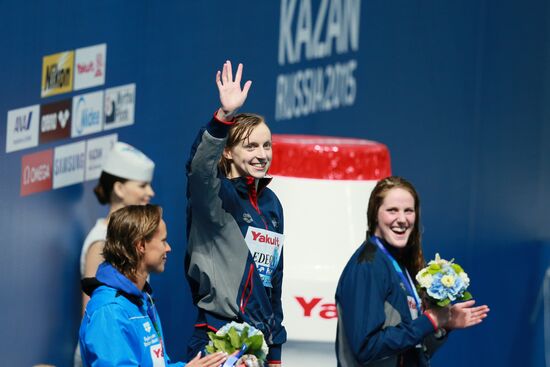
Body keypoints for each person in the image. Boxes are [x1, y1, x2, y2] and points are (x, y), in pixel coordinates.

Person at [185, 60, 286, 367]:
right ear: (228, 151)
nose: (262, 154)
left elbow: (273, 281)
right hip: (217, 339)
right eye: (251, 146)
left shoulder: (270, 203)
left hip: (259, 344)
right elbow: (199, 169)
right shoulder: (214, 198)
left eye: (266, 145)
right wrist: (224, 117)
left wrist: (275, 353)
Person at [335, 176, 490, 366]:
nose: (402, 219)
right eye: (392, 210)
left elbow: (411, 351)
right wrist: (429, 321)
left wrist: (442, 325)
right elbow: (367, 347)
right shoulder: (368, 266)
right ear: (375, 214)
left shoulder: (398, 264)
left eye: (408, 211)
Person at [79, 204, 228, 367]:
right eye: (163, 241)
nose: (168, 248)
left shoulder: (140, 298)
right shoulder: (108, 311)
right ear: (140, 246)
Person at [75, 142, 156, 367]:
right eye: (142, 185)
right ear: (119, 189)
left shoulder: (128, 238)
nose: (150, 192)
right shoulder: (101, 241)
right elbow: (93, 316)